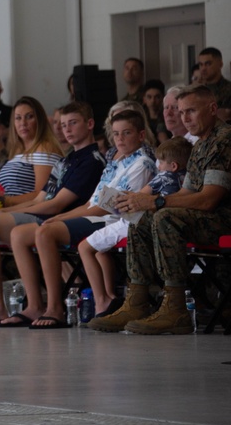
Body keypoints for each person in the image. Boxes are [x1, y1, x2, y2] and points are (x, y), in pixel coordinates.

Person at [0, 101, 104, 326]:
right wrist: (3, 210)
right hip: (45, 215)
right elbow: (40, 199)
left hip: (63, 219)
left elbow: (54, 205)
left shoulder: (90, 160)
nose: (66, 129)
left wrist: (3, 208)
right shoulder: (67, 160)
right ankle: (28, 305)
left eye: (72, 123)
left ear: (90, 124)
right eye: (63, 124)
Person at [90, 85, 231, 334]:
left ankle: (175, 309)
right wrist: (146, 202)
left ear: (212, 109)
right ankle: (137, 301)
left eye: (191, 111)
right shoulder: (201, 143)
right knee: (142, 218)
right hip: (205, 217)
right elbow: (186, 193)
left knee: (165, 217)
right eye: (181, 112)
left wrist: (157, 202)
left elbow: (209, 199)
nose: (184, 118)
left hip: (223, 218)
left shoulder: (223, 140)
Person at [8, 109, 156, 328]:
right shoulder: (117, 162)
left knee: (46, 232)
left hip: (114, 220)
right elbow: (90, 204)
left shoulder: (142, 163)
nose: (120, 139)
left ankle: (55, 308)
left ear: (141, 135)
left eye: (126, 133)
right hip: (98, 215)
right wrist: (61, 217)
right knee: (40, 230)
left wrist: (59, 219)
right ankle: (45, 304)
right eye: (116, 134)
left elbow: (107, 208)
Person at [80, 136, 192, 317]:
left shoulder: (164, 177)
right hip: (163, 226)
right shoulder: (186, 178)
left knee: (84, 247)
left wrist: (116, 198)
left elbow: (139, 197)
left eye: (161, 162)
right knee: (101, 250)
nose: (158, 166)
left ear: (173, 166)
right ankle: (109, 296)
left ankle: (102, 302)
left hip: (136, 222)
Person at [0, 96, 63, 202]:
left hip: (29, 211)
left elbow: (41, 195)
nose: (23, 123)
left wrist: (3, 201)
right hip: (8, 208)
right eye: (18, 118)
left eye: (29, 116)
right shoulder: (17, 151)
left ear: (40, 120)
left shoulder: (45, 147)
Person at [197, 47, 231, 121]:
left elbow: (223, 116)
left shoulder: (229, 89)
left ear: (220, 64)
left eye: (208, 64)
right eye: (201, 64)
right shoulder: (197, 91)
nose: (203, 68)